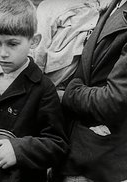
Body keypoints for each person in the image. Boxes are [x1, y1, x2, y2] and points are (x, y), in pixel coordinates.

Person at [0, 0, 69, 181]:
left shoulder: (42, 89)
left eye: (12, 44)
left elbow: (57, 144)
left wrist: (18, 150)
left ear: (34, 41)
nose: (3, 53)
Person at [60, 0, 127, 181]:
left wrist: (68, 93)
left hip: (101, 159)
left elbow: (115, 100)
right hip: (77, 149)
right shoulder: (114, 5)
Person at [33, 0, 99, 89]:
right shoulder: (98, 7)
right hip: (73, 76)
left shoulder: (48, 7)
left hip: (57, 76)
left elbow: (39, 50)